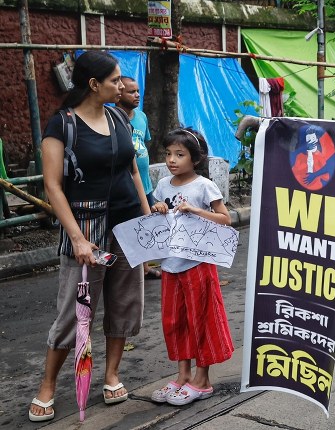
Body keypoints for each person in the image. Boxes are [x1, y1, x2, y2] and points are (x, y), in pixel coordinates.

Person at [29, 51, 149, 422]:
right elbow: (53, 187)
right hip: (88, 230)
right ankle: (48, 386)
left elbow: (132, 171)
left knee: (126, 302)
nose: (122, 86)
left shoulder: (118, 117)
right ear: (94, 85)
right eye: (114, 80)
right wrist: (78, 238)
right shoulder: (61, 125)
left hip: (128, 225)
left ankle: (112, 374)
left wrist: (147, 219)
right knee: (74, 310)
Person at [149, 127, 234, 406]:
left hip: (198, 263)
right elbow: (158, 220)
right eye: (168, 154)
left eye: (179, 154)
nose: (172, 160)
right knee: (175, 321)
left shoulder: (203, 186)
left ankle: (202, 380)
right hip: (170, 265)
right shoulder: (163, 184)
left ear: (195, 159)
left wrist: (196, 209)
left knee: (201, 319)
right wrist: (158, 208)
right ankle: (182, 376)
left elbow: (225, 219)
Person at [118, 76, 161, 279]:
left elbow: (144, 143)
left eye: (137, 91)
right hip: (127, 185)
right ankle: (133, 270)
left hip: (145, 182)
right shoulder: (113, 118)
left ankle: (144, 268)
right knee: (133, 226)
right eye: (131, 92)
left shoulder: (142, 117)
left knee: (146, 224)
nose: (136, 95)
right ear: (119, 94)